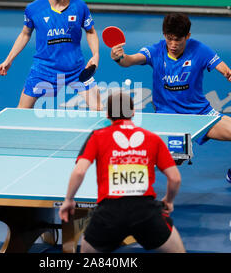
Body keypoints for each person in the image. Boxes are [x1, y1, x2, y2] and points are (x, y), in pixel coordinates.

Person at [109, 13, 231, 192]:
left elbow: (221, 66)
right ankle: (125, 187)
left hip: (200, 114)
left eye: (178, 40)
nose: (173, 44)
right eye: (169, 39)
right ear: (164, 35)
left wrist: (229, 73)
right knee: (160, 155)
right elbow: (130, 61)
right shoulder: (156, 50)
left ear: (187, 36)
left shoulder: (199, 50)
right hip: (167, 118)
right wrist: (119, 57)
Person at [59, 92, 185, 253]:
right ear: (133, 112)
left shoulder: (97, 136)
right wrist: (168, 200)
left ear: (107, 114)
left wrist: (69, 200)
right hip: (145, 212)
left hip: (109, 213)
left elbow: (79, 172)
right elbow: (175, 178)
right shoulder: (152, 138)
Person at [0, 0, 102, 111]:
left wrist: (96, 54)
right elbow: (25, 34)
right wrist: (9, 59)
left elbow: (90, 32)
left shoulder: (79, 6)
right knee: (21, 111)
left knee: (99, 110)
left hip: (76, 70)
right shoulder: (33, 9)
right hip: (44, 69)